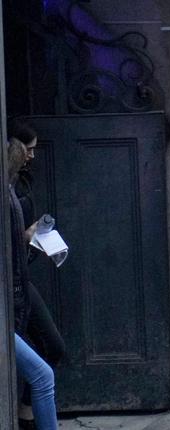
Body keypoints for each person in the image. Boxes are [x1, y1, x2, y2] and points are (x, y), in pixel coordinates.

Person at [8, 118, 66, 428]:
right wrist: (25, 237)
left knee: (52, 350)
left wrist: (33, 241)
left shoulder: (19, 184)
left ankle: (26, 415)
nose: (32, 155)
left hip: (20, 280)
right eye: (28, 149)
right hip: (9, 287)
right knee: (42, 374)